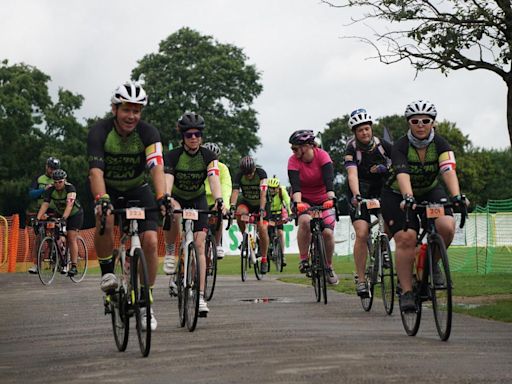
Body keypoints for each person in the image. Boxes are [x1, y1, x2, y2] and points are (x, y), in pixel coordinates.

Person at [87, 80, 167, 331]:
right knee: (106, 218)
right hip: (108, 188)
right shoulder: (99, 132)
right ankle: (108, 274)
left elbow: (156, 166)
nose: (131, 116)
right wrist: (102, 200)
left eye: (136, 111)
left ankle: (146, 301)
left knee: (151, 242)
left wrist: (162, 196)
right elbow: (95, 173)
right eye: (126, 109)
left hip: (137, 189)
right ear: (114, 109)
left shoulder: (149, 133)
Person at [381, 100, 467, 312]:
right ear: (409, 123)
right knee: (406, 237)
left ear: (432, 123)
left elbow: (448, 170)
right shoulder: (401, 146)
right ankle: (407, 292)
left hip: (430, 189)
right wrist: (408, 197)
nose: (420, 124)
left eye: (425, 120)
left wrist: (456, 196)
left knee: (446, 226)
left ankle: (429, 265)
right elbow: (402, 174)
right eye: (415, 121)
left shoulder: (441, 144)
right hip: (396, 194)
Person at [162, 112, 224, 316]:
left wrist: (218, 200)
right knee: (173, 212)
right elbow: (168, 179)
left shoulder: (208, 156)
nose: (194, 138)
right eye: (189, 135)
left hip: (197, 200)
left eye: (197, 134)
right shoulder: (172, 156)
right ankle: (171, 250)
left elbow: (214, 179)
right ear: (182, 137)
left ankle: (200, 296)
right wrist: (167, 197)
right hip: (178, 196)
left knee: (199, 246)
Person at [344, 108, 392, 297]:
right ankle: (362, 280)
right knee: (362, 233)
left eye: (367, 129)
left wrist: (387, 167)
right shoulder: (351, 148)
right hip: (360, 191)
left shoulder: (383, 145)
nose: (365, 132)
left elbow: (398, 163)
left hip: (381, 189)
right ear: (355, 133)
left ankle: (382, 246)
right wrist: (356, 195)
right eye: (360, 130)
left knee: (392, 223)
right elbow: (352, 174)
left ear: (371, 128)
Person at [287, 130, 338, 285]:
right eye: (292, 149)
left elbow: (329, 181)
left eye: (296, 149)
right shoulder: (293, 161)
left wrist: (331, 198)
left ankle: (328, 267)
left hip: (324, 198)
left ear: (308, 146)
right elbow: (295, 186)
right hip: (304, 198)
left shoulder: (322, 156)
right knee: (305, 222)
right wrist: (298, 203)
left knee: (328, 233)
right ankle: (303, 259)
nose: (294, 152)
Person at [36, 169, 84, 276]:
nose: (57, 184)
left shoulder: (70, 188)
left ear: (64, 180)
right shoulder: (50, 190)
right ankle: (59, 255)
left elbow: (69, 205)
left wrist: (64, 218)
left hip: (74, 214)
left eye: (60, 182)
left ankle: (74, 266)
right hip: (59, 213)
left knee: (71, 237)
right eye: (55, 182)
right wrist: (38, 219)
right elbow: (45, 205)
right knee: (54, 232)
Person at [229, 156, 270, 273]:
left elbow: (263, 193)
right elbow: (235, 192)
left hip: (262, 203)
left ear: (254, 169)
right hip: (247, 202)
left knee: (262, 228)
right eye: (245, 174)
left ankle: (264, 259)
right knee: (240, 213)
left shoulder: (261, 173)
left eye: (250, 173)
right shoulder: (239, 175)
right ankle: (245, 237)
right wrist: (232, 205)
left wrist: (262, 209)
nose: (248, 176)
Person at [26, 157, 61, 274]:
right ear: (46, 166)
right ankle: (36, 265)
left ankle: (58, 257)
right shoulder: (39, 179)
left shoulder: (59, 179)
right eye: (50, 168)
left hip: (54, 211)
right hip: (40, 211)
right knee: (39, 238)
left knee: (55, 237)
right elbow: (31, 194)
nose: (52, 171)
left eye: (54, 169)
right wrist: (43, 190)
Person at [202, 142, 232, 260]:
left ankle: (218, 243)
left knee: (218, 213)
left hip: (216, 199)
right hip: (201, 199)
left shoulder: (222, 168)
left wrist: (224, 204)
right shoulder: (198, 166)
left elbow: (226, 186)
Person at [266, 176, 291, 267]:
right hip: (268, 213)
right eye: (270, 188)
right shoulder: (265, 193)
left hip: (278, 213)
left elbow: (287, 202)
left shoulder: (282, 191)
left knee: (280, 233)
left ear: (278, 187)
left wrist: (290, 213)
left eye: (274, 188)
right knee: (266, 232)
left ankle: (282, 255)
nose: (272, 190)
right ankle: (266, 249)